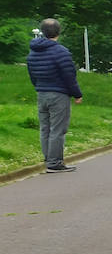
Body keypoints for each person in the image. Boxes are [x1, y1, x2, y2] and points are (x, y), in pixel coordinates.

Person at [26, 18, 83, 173]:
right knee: (58, 129)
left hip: (41, 92)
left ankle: (48, 159)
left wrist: (39, 86)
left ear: (43, 31)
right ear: (59, 31)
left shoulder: (33, 52)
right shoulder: (61, 52)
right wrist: (77, 94)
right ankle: (55, 162)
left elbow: (32, 74)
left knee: (45, 128)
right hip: (58, 94)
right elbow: (69, 76)